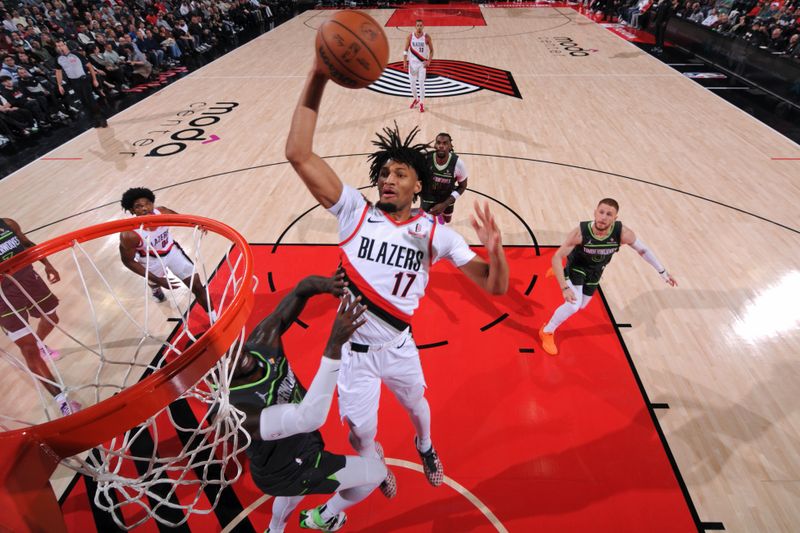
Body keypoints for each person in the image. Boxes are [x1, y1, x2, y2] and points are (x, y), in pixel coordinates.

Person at [285, 60, 509, 496]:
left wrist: (496, 253)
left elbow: (495, 286)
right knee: (359, 437)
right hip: (352, 353)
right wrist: (316, 74)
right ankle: (376, 463)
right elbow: (298, 154)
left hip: (398, 346)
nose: (388, 179)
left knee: (419, 409)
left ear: (418, 186)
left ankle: (425, 446)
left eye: (399, 174)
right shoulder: (354, 212)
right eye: (384, 173)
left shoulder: (435, 235)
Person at [232, 273, 387, 532]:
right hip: (286, 469)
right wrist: (334, 344)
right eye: (226, 360)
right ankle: (326, 516)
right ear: (217, 376)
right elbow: (309, 417)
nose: (237, 355)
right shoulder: (235, 411)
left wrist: (328, 285)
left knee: (291, 497)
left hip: (296, 452)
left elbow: (301, 289)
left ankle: (274, 530)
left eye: (231, 347)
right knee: (376, 474)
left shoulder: (261, 341)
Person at [538, 199, 677, 355]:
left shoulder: (623, 234)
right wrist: (564, 287)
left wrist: (662, 272)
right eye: (601, 212)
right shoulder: (580, 233)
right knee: (573, 305)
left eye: (609, 214)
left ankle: (560, 273)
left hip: (596, 271)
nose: (603, 217)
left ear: (615, 218)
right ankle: (547, 331)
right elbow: (556, 257)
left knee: (583, 305)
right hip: (577, 266)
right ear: (595, 212)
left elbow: (643, 250)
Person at [0, 217, 81, 416]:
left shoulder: (7, 223)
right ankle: (61, 399)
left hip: (29, 278)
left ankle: (39, 343)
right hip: (3, 293)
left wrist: (48, 264)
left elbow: (26, 243)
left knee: (52, 318)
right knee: (28, 350)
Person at [118, 187, 216, 322]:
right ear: (132, 211)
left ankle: (214, 319)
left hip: (172, 252)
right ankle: (155, 289)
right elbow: (128, 261)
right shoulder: (129, 234)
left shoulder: (162, 212)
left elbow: (183, 219)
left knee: (197, 286)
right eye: (138, 206)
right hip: (150, 260)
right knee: (154, 281)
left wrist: (197, 224)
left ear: (152, 203)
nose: (145, 208)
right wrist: (159, 281)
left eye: (147, 203)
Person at [53, 40, 107, 128]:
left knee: (91, 100)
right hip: (73, 82)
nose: (60, 47)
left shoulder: (76, 54)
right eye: (58, 46)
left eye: (61, 45)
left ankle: (102, 119)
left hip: (83, 79)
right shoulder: (58, 59)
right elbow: (58, 72)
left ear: (65, 45)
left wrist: (94, 80)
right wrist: (59, 85)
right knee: (84, 102)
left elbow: (89, 66)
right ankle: (94, 120)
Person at [421, 132, 468, 225]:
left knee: (447, 220)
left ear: (450, 146)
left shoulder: (458, 164)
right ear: (434, 145)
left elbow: (462, 186)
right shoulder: (426, 159)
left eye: (445, 143)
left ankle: (441, 218)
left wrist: (445, 204)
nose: (441, 146)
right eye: (438, 143)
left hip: (447, 198)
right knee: (425, 223)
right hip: (428, 197)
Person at [402, 19, 433, 113]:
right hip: (412, 64)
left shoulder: (426, 37)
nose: (419, 27)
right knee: (412, 84)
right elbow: (405, 50)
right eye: (418, 25)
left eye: (421, 25)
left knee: (421, 84)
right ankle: (416, 99)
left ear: (423, 26)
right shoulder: (410, 37)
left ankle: (421, 103)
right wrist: (404, 61)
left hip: (422, 64)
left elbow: (432, 51)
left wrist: (429, 61)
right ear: (415, 26)